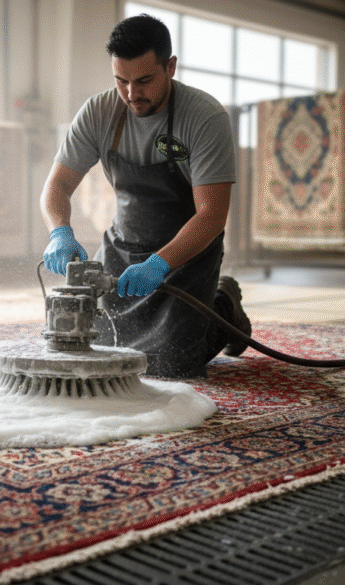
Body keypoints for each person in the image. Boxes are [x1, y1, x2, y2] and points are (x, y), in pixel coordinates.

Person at [40, 13, 251, 379]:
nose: (132, 95)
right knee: (95, 346)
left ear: (170, 67)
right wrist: (59, 231)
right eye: (121, 81)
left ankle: (224, 304)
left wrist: (160, 264)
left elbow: (212, 216)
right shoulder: (99, 112)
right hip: (123, 245)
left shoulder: (204, 117)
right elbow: (56, 187)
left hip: (187, 251)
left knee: (170, 364)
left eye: (144, 81)